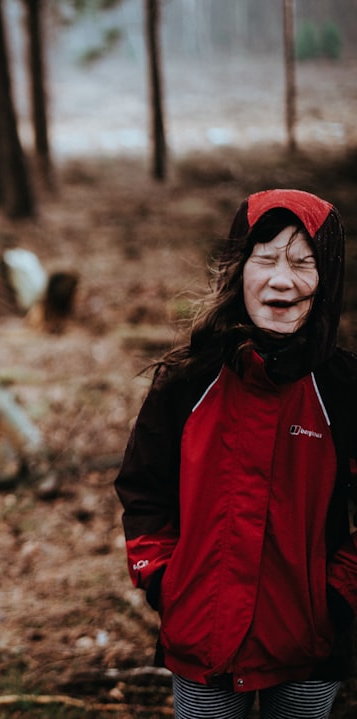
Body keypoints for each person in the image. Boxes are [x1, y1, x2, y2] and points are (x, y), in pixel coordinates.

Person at [114, 189, 357, 719]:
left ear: (326, 280)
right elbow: (142, 489)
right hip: (202, 640)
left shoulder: (343, 388)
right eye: (265, 258)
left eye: (302, 263)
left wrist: (338, 596)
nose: (281, 279)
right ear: (238, 270)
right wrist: (164, 580)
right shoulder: (186, 381)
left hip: (311, 646)